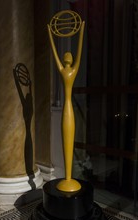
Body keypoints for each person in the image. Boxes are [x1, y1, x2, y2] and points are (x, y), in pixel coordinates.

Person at [47, 20, 85, 192]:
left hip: (67, 111)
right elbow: (56, 53)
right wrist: (50, 34)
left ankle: (69, 177)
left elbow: (78, 51)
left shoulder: (66, 70)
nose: (68, 57)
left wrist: (82, 30)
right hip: (68, 111)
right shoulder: (67, 70)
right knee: (66, 141)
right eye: (67, 56)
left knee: (68, 140)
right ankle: (68, 178)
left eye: (68, 56)